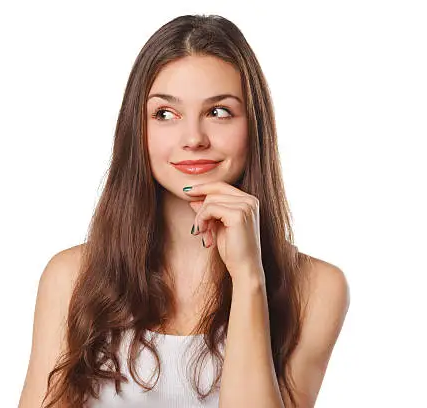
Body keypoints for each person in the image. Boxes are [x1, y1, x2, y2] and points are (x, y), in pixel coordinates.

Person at [18, 14, 350, 408]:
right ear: (136, 130)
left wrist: (248, 279)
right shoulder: (71, 277)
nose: (193, 138)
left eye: (219, 112)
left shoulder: (316, 288)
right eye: (165, 114)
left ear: (254, 126)